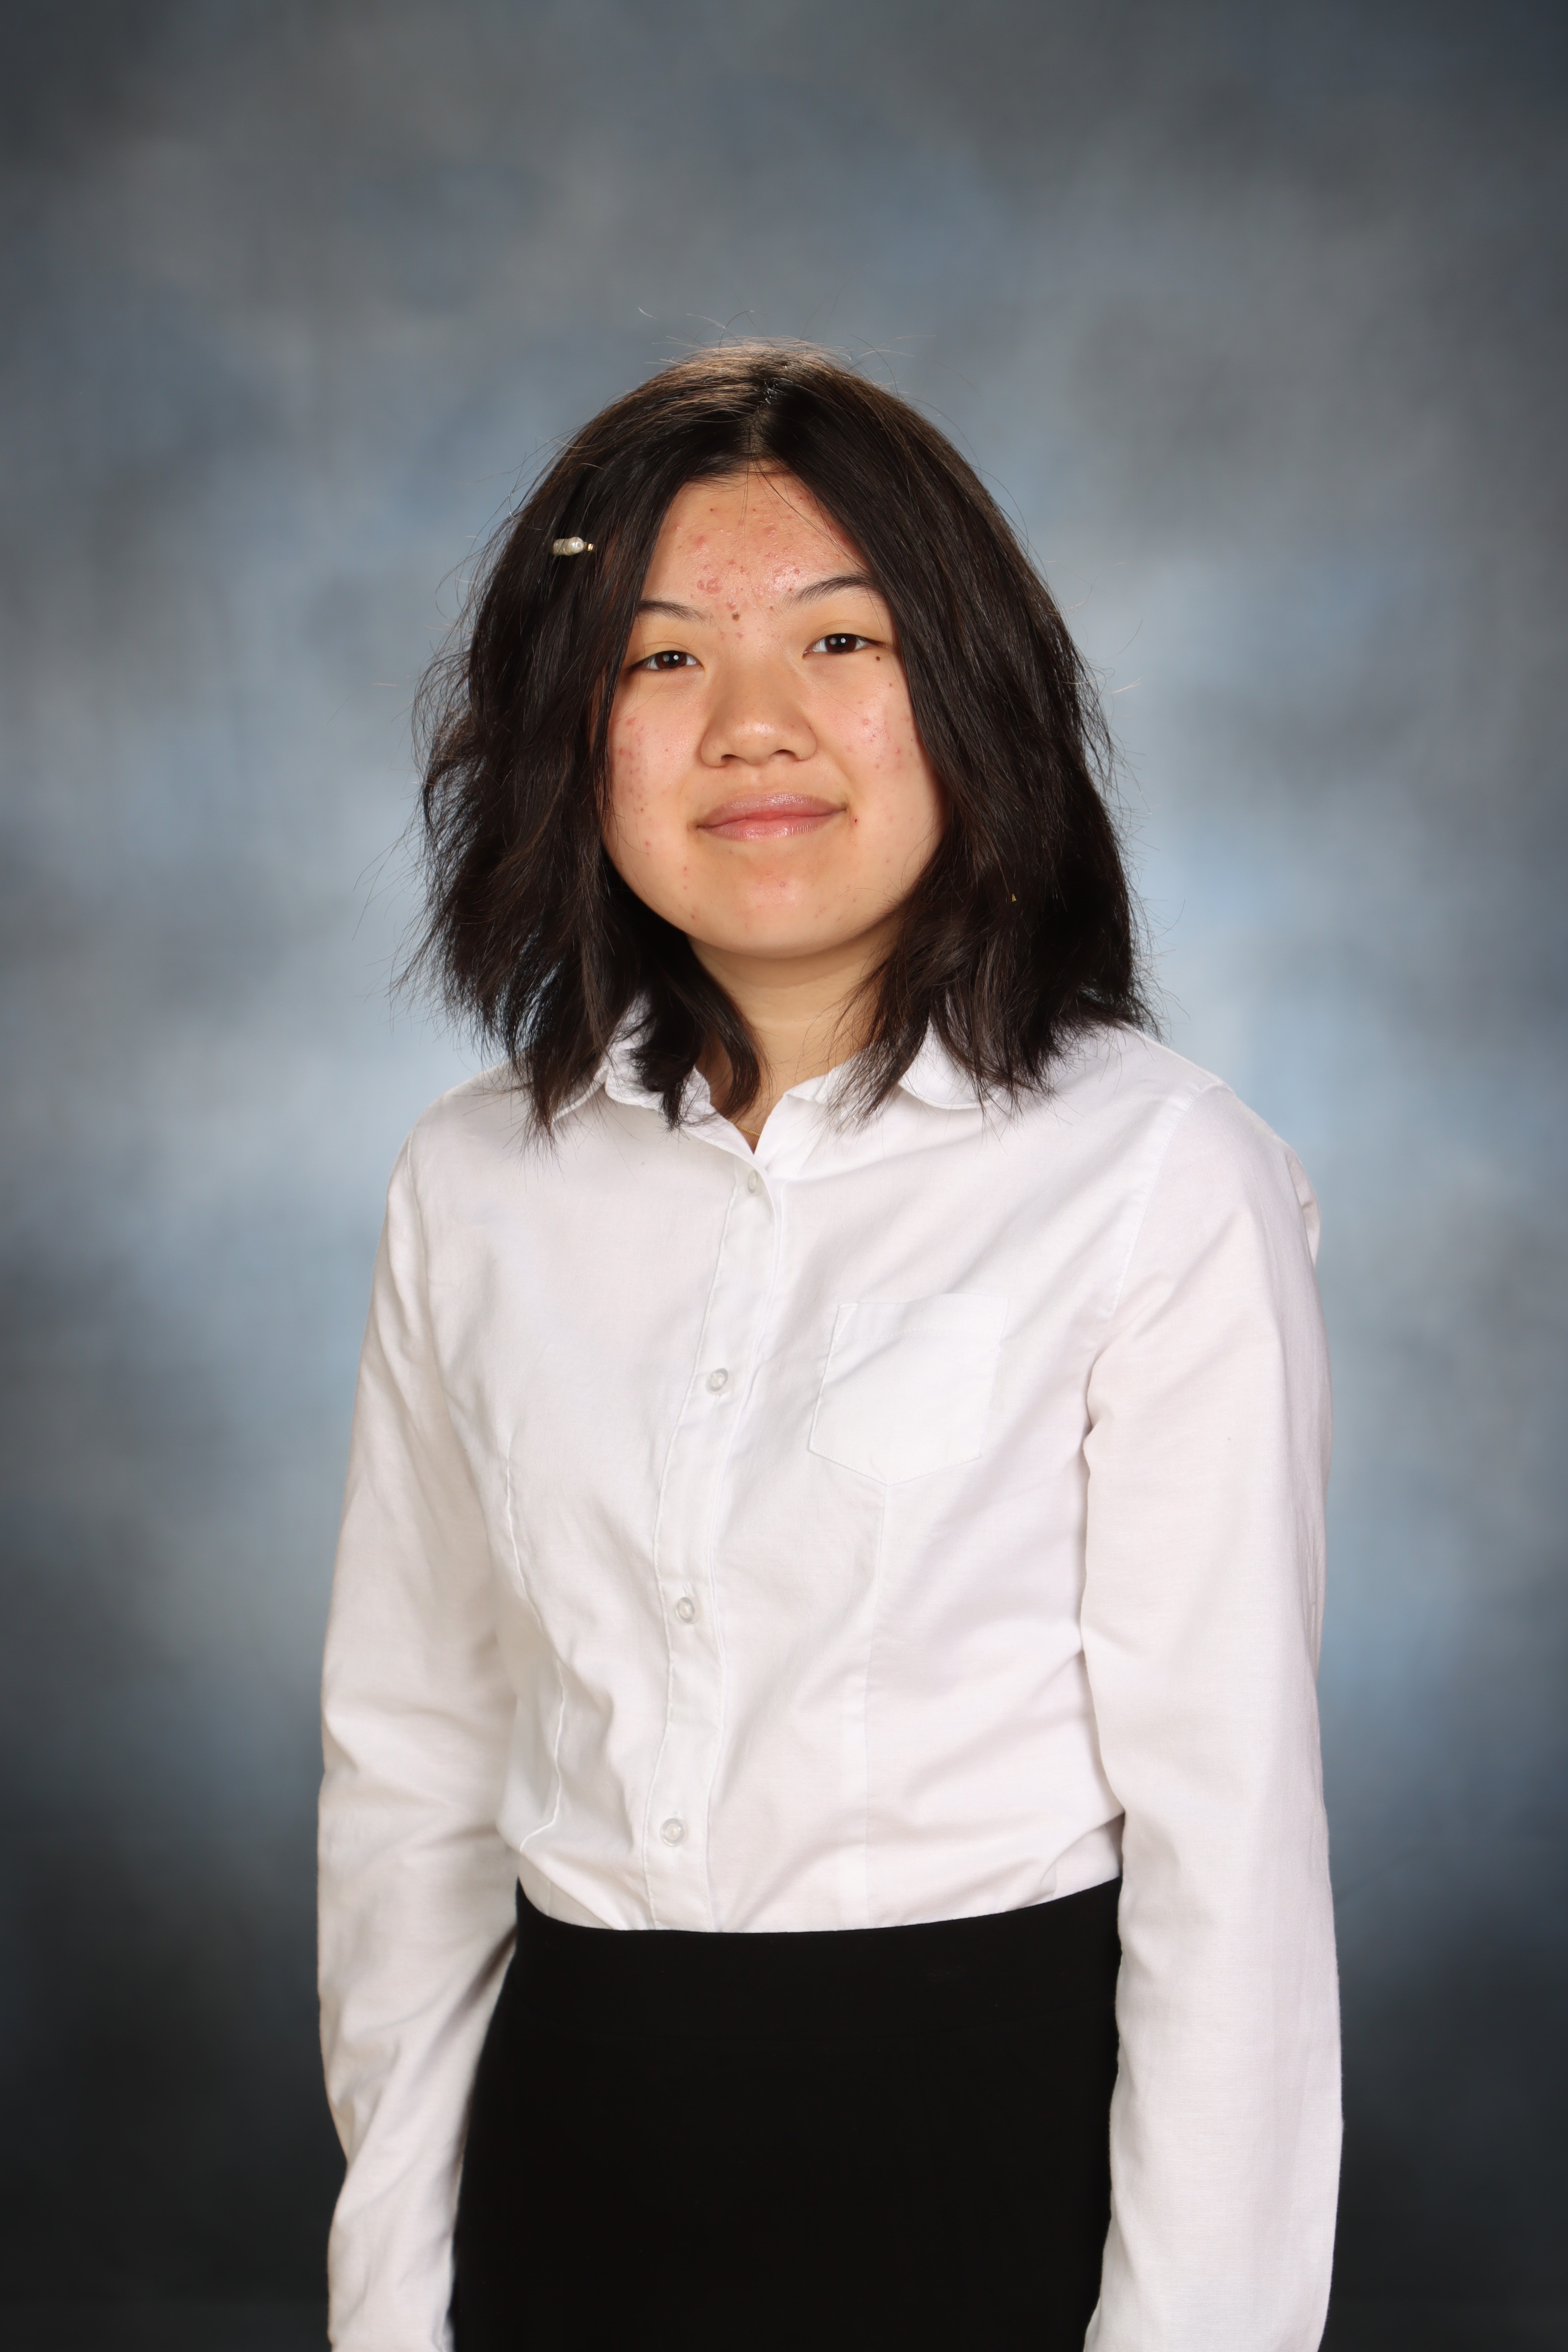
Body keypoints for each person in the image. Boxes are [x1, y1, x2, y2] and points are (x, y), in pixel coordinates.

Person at [318, 343, 1340, 2352]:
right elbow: (409, 1776)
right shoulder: (471, 1184)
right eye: (662, 658)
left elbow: (1227, 1853)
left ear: (971, 692)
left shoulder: (1158, 1176)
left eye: (840, 638)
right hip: (562, 2181)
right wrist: (392, 2298)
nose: (753, 726)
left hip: (990, 2185)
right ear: (567, 734)